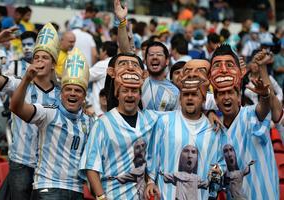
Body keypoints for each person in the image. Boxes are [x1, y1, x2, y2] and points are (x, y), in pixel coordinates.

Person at [0, 23, 60, 200]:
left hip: (48, 168)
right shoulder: (18, 84)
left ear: (53, 64)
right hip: (21, 163)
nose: (39, 60)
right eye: (36, 57)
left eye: (45, 57)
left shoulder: (61, 94)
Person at [10, 47, 92, 200]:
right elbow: (15, 107)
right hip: (47, 188)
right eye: (68, 89)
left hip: (76, 190)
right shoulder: (48, 112)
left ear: (84, 96)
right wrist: (26, 79)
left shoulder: (90, 121)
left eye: (78, 90)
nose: (73, 93)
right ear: (61, 94)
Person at [80, 52, 159, 200]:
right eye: (125, 91)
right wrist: (101, 197)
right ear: (117, 94)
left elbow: (184, 114)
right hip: (112, 194)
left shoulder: (152, 119)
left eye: (134, 91)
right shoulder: (103, 124)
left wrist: (211, 111)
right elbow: (91, 166)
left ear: (140, 95)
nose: (130, 95)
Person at [145, 59, 224, 200]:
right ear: (180, 98)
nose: (189, 98)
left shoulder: (213, 128)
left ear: (204, 100)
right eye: (186, 95)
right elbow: (153, 156)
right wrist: (150, 182)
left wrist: (219, 172)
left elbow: (219, 163)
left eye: (194, 95)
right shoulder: (164, 121)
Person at [209, 44, 279, 199]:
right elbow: (216, 171)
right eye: (221, 94)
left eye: (230, 93)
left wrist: (265, 96)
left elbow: (263, 108)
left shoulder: (251, 115)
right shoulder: (214, 130)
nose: (226, 97)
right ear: (215, 99)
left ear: (239, 96)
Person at [114, 0, 179, 111]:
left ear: (167, 61)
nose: (154, 57)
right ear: (145, 59)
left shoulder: (174, 91)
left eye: (159, 54)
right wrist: (122, 22)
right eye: (151, 55)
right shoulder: (136, 79)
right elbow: (125, 52)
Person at [89, 41, 118, 116]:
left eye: (101, 51)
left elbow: (85, 76)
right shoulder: (118, 64)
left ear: (105, 52)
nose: (99, 54)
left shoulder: (102, 64)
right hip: (114, 109)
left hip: (100, 111)